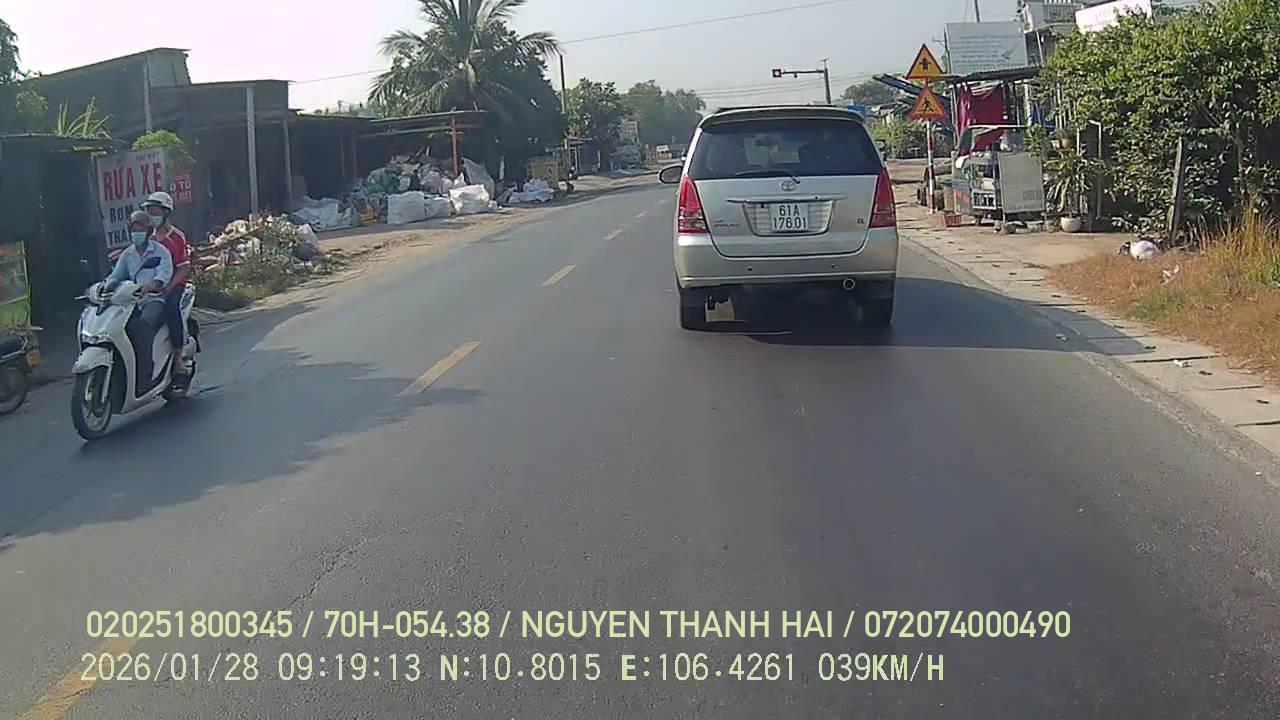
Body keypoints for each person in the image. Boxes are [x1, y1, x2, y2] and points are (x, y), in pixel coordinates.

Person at [107, 211, 173, 382]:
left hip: (153, 300)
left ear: (149, 231)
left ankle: (146, 371)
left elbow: (164, 274)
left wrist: (152, 286)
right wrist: (104, 286)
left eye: (140, 229)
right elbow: (116, 275)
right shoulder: (127, 254)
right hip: (129, 302)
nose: (137, 233)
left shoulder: (160, 251)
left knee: (142, 326)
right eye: (134, 229)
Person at [140, 191, 192, 376]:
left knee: (171, 308)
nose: (151, 216)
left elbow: (184, 268)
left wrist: (168, 287)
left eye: (155, 212)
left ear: (166, 213)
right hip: (151, 286)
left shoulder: (176, 237)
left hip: (174, 285)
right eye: (149, 212)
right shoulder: (148, 238)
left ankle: (178, 359)